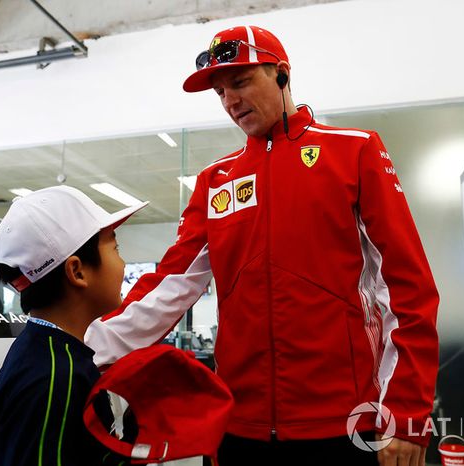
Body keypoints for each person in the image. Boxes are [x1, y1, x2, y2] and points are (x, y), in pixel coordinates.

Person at [85, 26, 439, 466]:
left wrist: (404, 415)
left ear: (282, 74)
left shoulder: (354, 151)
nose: (230, 101)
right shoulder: (216, 180)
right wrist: (84, 349)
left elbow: (407, 288)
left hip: (344, 424)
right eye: (219, 92)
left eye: (240, 82)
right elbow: (169, 283)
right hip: (239, 427)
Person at [0, 186, 146, 466]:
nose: (123, 263)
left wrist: (133, 430)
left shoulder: (40, 349)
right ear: (77, 271)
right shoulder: (57, 377)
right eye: (116, 248)